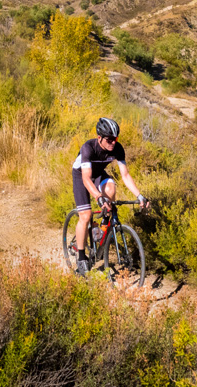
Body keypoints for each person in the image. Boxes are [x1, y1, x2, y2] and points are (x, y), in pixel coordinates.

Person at [72, 117, 149, 275]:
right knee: (85, 216)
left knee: (111, 187)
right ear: (99, 138)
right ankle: (81, 258)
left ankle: (103, 225)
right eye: (109, 140)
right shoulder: (88, 148)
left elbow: (125, 176)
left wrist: (139, 195)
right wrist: (98, 197)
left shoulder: (118, 149)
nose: (113, 143)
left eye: (116, 139)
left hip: (99, 173)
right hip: (82, 175)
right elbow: (87, 178)